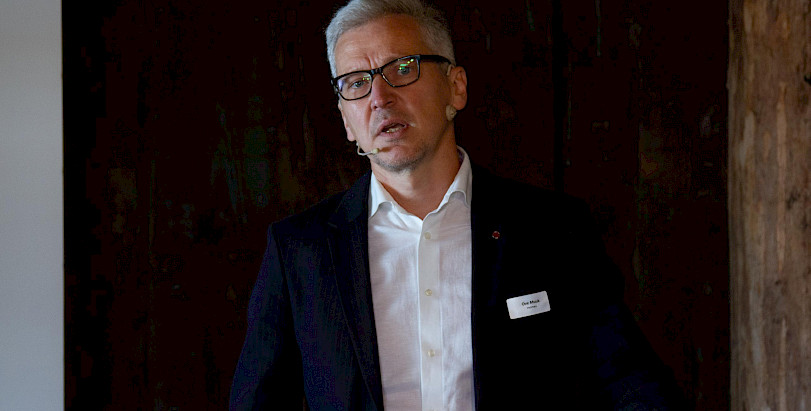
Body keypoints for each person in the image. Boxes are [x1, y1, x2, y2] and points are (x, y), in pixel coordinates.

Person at [230, 0, 683, 409]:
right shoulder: (299, 251)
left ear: (456, 87)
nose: (379, 98)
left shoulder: (551, 228)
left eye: (402, 68)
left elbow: (630, 381)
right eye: (356, 82)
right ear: (346, 121)